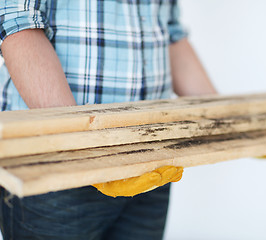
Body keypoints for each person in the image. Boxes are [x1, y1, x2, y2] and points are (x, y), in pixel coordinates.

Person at [0, 1, 216, 239]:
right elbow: (16, 20)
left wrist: (228, 121)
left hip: (153, 165)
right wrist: (81, 150)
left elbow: (170, 32)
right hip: (55, 163)